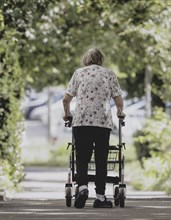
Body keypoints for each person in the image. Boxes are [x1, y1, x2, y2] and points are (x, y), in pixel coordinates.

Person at [62, 48, 125, 208]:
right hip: (102, 123)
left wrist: (67, 114)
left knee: (82, 158)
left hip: (81, 121)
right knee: (101, 160)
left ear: (86, 59)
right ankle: (100, 197)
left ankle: (82, 188)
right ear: (101, 59)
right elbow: (118, 100)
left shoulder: (79, 73)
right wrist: (120, 112)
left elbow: (65, 99)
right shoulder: (109, 74)